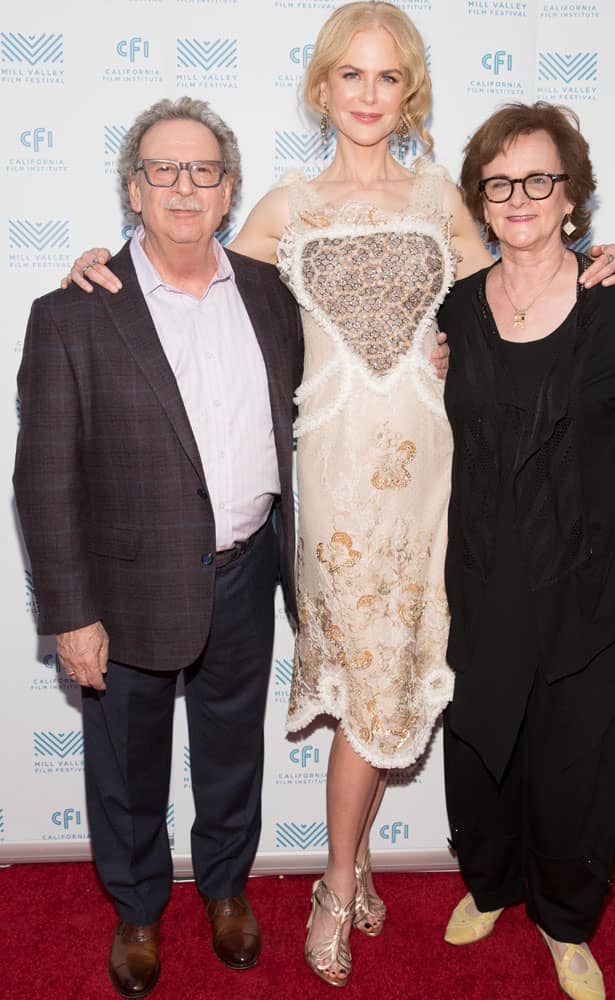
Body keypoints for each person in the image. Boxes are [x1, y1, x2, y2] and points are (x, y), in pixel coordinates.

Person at [64, 3, 615, 988]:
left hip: (434, 476)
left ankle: (357, 865)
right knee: (368, 688)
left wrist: (597, 265)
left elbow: (515, 289)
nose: (368, 95)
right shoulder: (284, 206)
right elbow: (192, 292)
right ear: (321, 86)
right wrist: (102, 263)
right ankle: (335, 885)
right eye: (350, 75)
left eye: (387, 77)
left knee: (396, 684)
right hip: (332, 480)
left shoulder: (439, 201)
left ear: (407, 91)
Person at [13, 97, 304, 999]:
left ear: (229, 190)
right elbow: (44, 478)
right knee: (128, 764)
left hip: (247, 570)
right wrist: (70, 614)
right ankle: (138, 905)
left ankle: (224, 889)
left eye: (204, 170)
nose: (185, 187)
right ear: (133, 190)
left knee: (232, 749)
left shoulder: (269, 293)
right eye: (163, 170)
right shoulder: (72, 313)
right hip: (126, 585)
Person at [439, 101, 615, 1000]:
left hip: (591, 574)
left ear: (571, 193)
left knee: (580, 752)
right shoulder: (458, 309)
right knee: (482, 741)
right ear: (482, 198)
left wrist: (577, 500)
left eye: (538, 178)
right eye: (500, 182)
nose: (520, 196)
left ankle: (568, 920)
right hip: (482, 570)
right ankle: (494, 884)